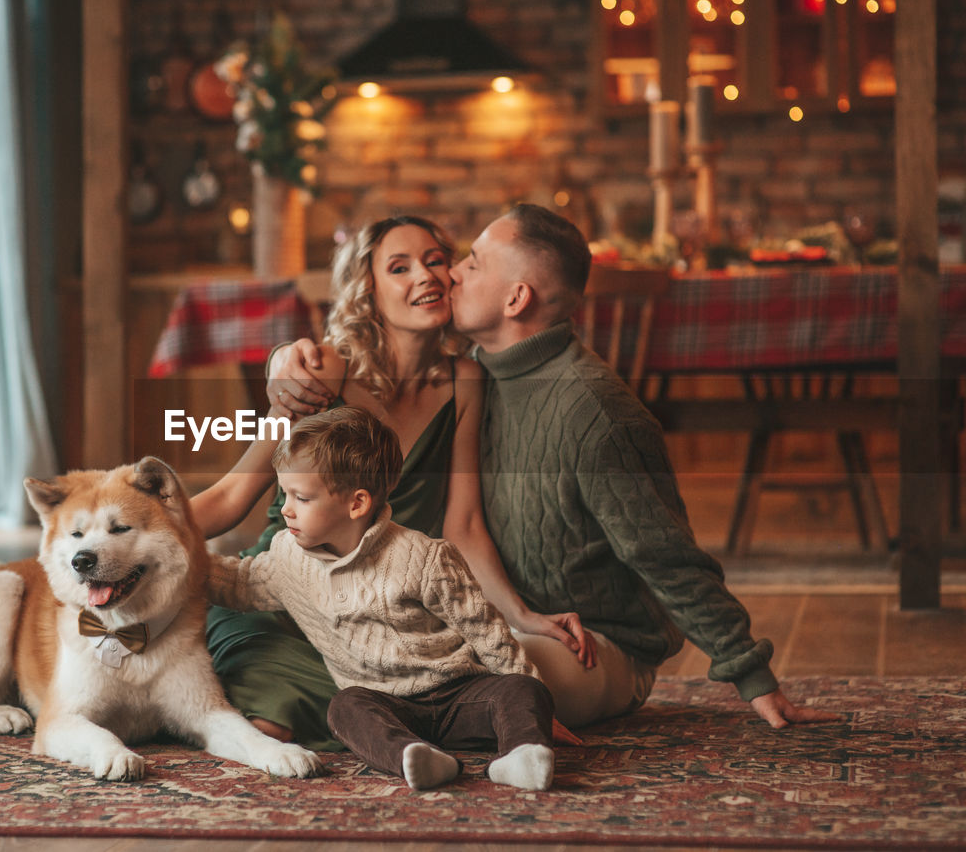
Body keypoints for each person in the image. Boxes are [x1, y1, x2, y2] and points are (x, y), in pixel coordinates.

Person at [275, 203, 841, 731]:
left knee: (448, 672)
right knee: (390, 648)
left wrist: (751, 674)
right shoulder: (478, 376)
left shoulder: (595, 412)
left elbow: (667, 557)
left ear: (516, 299)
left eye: (470, 263)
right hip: (505, 617)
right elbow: (459, 519)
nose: (451, 276)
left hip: (592, 642)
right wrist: (287, 358)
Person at [190, 215, 593, 750]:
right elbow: (232, 495)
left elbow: (464, 524)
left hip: (382, 617)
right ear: (368, 291)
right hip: (282, 597)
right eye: (398, 267)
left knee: (419, 688)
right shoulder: (324, 370)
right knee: (275, 717)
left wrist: (520, 615)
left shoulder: (465, 380)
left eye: (433, 261)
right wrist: (130, 540)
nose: (424, 276)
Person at [208, 406, 565, 791]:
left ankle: (523, 754)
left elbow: (485, 629)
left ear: (356, 503)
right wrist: (181, 559)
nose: (287, 510)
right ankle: (414, 756)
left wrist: (539, 707)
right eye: (284, 494)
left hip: (457, 693)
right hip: (385, 706)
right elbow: (239, 584)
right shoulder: (287, 557)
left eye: (301, 498)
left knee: (522, 688)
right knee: (345, 709)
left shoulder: (422, 557)